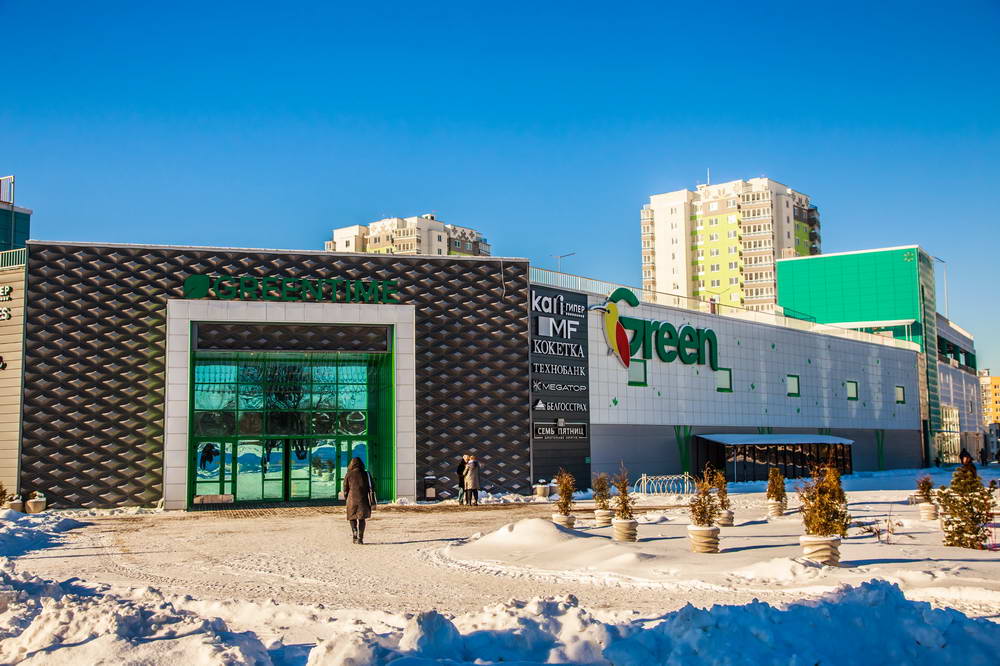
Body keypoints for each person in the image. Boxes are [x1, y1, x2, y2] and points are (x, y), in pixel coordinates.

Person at [343, 456, 377, 545]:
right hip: (363, 499)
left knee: (352, 517)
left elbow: (345, 488)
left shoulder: (348, 474)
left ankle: (354, 532)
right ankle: (360, 538)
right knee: (362, 519)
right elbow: (372, 486)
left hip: (351, 500)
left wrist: (346, 498)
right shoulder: (366, 474)